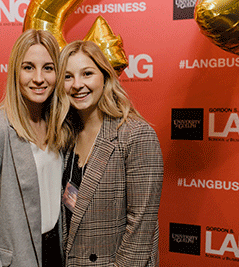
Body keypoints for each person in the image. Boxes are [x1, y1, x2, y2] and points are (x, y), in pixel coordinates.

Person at [47, 40, 163, 266]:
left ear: (105, 77)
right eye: (68, 77)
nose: (77, 85)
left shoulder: (135, 135)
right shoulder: (65, 137)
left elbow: (140, 228)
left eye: (87, 73)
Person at [0, 29, 63, 267]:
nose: (39, 78)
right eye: (28, 67)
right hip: (18, 258)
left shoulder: (61, 127)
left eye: (48, 68)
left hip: (57, 253)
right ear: (15, 72)